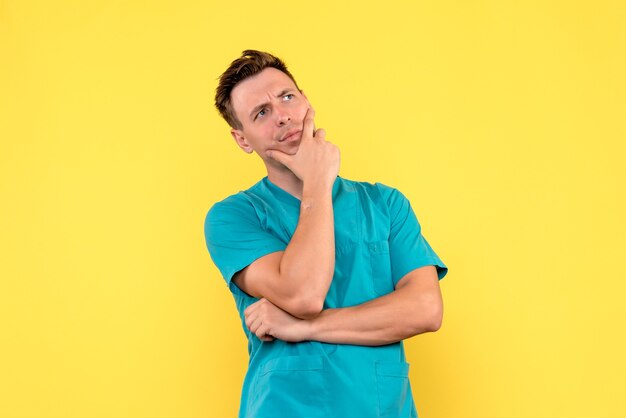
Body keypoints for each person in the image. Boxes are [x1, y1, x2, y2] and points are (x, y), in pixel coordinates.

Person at [204, 49, 448, 418]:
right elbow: (303, 294)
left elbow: (426, 310)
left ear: (306, 101)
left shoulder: (385, 204)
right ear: (243, 140)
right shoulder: (234, 217)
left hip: (383, 408)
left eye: (287, 97)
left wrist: (303, 328)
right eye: (262, 113)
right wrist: (318, 181)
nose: (283, 115)